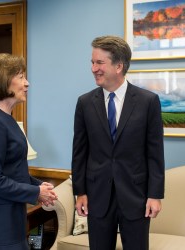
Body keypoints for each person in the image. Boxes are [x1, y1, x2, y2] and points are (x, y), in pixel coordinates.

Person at [71, 35, 165, 250]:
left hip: (136, 197)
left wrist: (155, 195)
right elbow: (79, 152)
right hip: (97, 197)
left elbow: (155, 152)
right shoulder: (85, 103)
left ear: (119, 66)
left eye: (100, 62)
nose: (94, 68)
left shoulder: (148, 101)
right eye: (92, 62)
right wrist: (81, 192)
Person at [0, 53, 57, 250]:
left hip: (10, 213)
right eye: (21, 77)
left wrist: (38, 186)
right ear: (3, 81)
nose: (27, 83)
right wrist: (34, 191)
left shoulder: (4, 118)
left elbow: (12, 170)